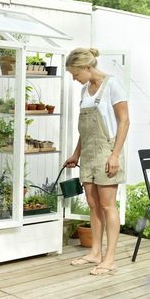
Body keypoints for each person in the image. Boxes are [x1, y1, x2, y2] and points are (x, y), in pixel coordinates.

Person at [64, 48, 129, 275]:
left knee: (107, 205)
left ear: (87, 67)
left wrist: (114, 155)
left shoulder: (112, 85)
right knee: (93, 205)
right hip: (89, 152)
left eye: (75, 73)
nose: (74, 78)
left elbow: (124, 122)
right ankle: (95, 253)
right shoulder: (84, 90)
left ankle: (110, 258)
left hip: (107, 151)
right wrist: (76, 153)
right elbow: (85, 130)